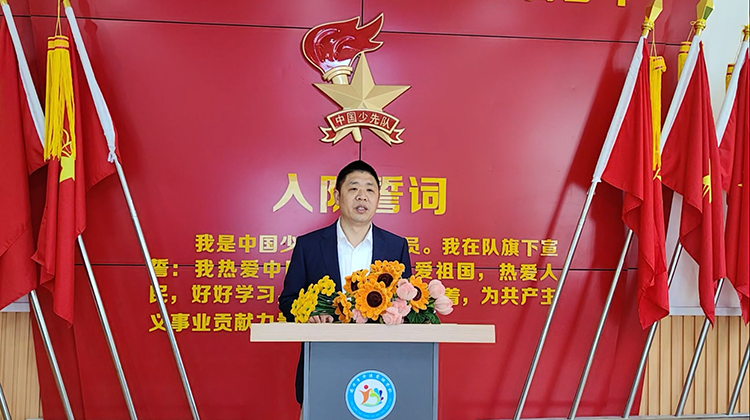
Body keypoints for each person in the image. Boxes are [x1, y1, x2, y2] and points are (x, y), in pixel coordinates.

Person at [278, 160, 413, 408]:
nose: (362, 196)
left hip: (381, 368)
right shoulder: (309, 246)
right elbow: (288, 301)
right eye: (353, 188)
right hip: (323, 362)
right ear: (337, 196)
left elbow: (405, 306)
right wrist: (311, 314)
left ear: (378, 198)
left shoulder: (396, 246)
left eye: (370, 189)